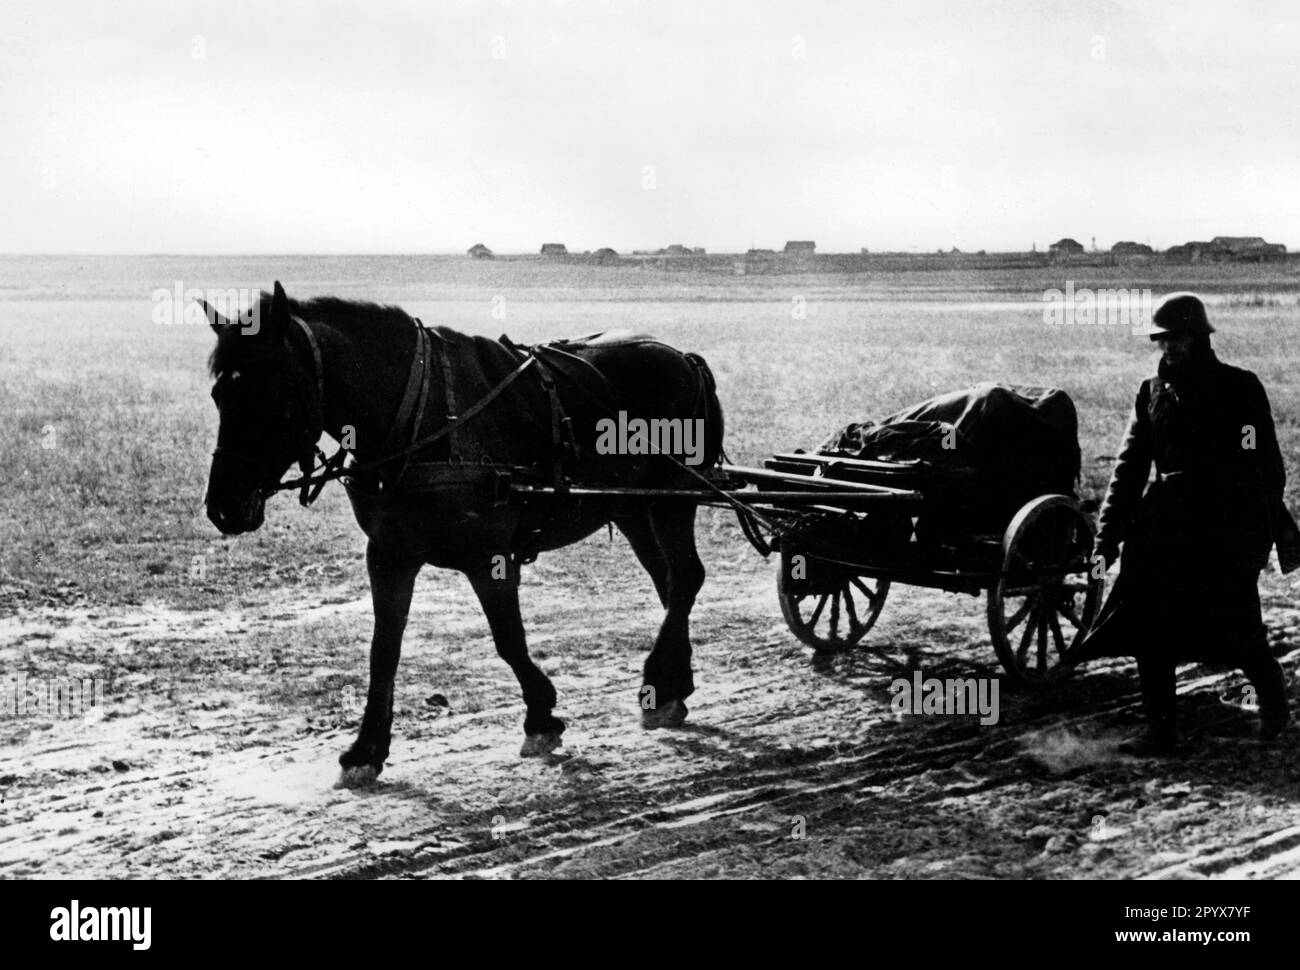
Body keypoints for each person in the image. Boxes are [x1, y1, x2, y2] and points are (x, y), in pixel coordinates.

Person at [1078, 292, 1297, 754]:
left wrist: (1256, 535)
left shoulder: (1240, 389)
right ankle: (1161, 734)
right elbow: (1129, 471)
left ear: (1197, 337)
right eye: (1160, 341)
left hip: (1223, 528)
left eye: (1175, 339)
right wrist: (1107, 539)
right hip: (1162, 530)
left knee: (1236, 632)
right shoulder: (1151, 394)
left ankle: (1273, 702)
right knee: (1151, 632)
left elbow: (1263, 464)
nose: (1167, 348)